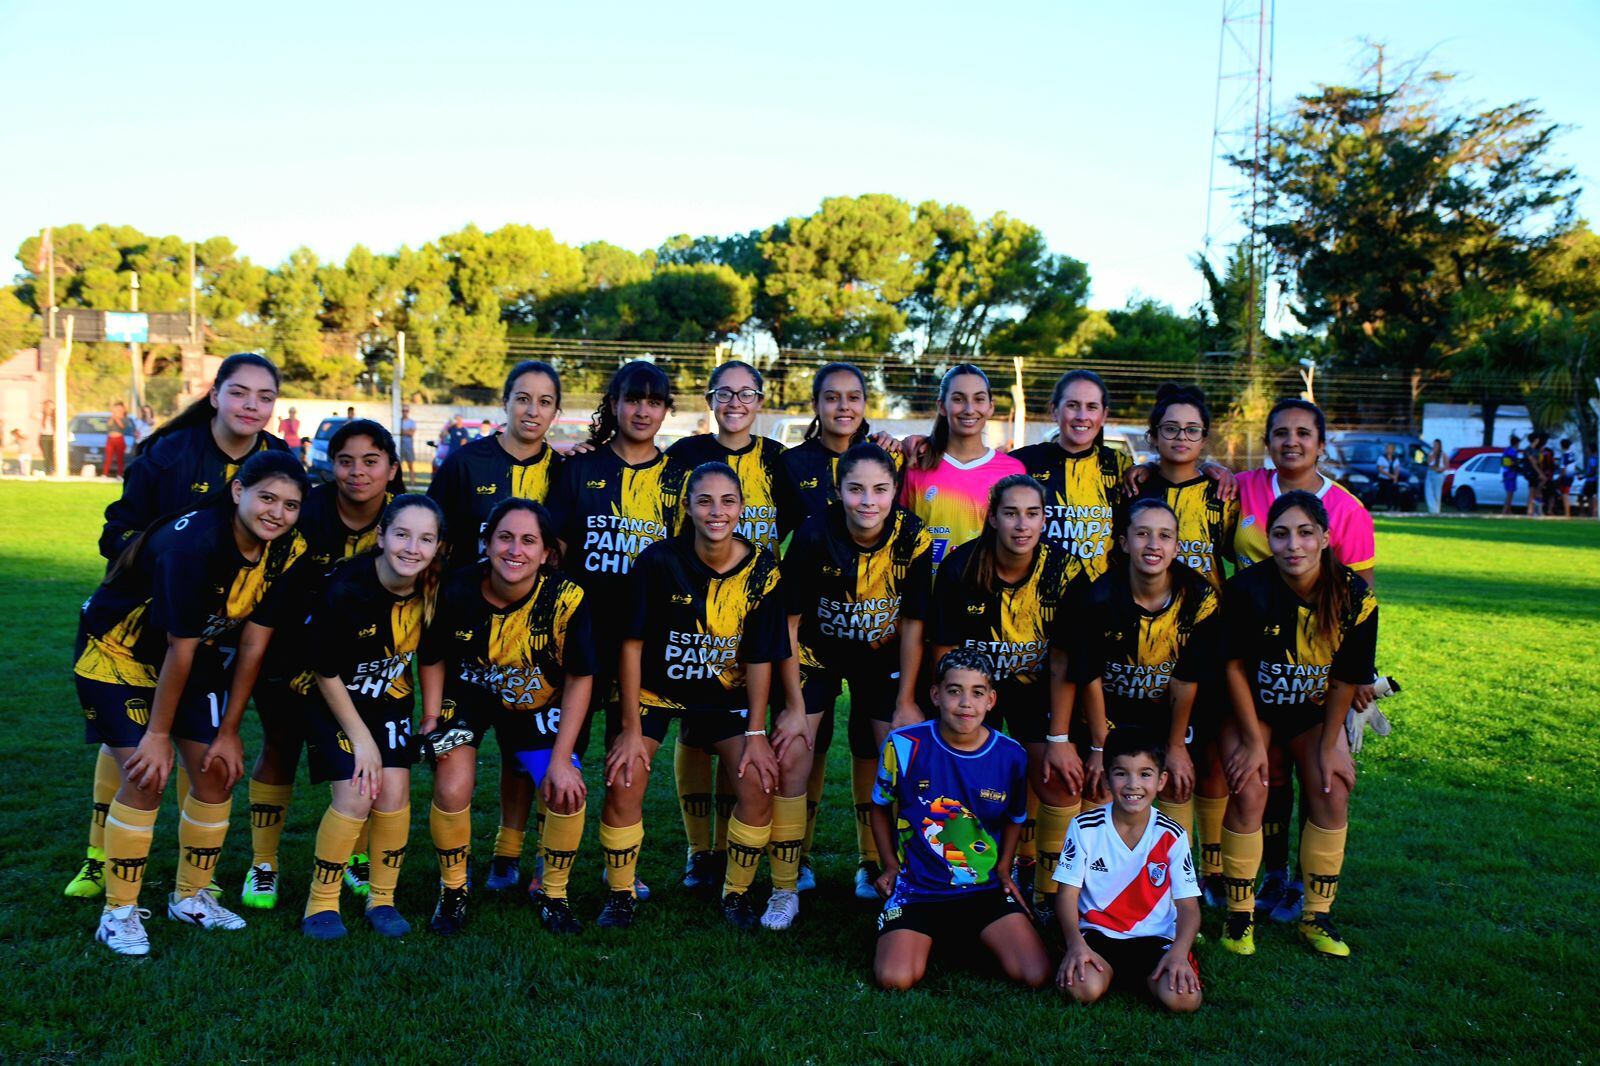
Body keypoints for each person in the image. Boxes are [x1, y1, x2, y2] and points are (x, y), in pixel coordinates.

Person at [64, 352, 288, 900]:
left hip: (210, 639)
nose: (251, 405)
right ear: (215, 396)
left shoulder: (280, 462)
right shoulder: (167, 458)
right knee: (138, 752)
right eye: (239, 392)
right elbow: (114, 535)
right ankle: (100, 858)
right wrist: (163, 564)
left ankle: (193, 892)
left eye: (264, 397)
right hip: (138, 635)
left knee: (201, 761)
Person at [75, 451, 310, 955]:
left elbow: (252, 643)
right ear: (237, 492)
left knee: (215, 773)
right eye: (266, 497)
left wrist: (229, 730)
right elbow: (176, 648)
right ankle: (117, 912)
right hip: (118, 654)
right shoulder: (195, 545)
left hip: (192, 652)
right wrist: (158, 736)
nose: (277, 512)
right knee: (146, 777)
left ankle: (191, 896)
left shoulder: (289, 547)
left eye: (290, 504)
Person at [603, 462, 792, 931]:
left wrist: (756, 731)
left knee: (757, 781)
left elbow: (762, 654)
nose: (716, 511)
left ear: (742, 508)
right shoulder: (658, 562)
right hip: (655, 690)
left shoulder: (763, 568)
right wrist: (629, 729)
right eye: (704, 500)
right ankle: (621, 892)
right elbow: (631, 644)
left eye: (728, 501)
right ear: (687, 507)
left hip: (724, 693)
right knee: (624, 778)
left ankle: (736, 893)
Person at [239, 420, 404, 910]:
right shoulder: (303, 510)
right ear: (330, 466)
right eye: (346, 461)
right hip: (291, 656)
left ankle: (352, 858)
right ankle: (263, 863)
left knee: (364, 763)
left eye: (371, 461)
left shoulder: (404, 516)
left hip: (368, 665)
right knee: (280, 748)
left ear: (392, 469)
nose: (357, 472)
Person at [1225, 397, 1376, 923]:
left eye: (1303, 433)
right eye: (1281, 432)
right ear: (1267, 441)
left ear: (1320, 442)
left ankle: (1310, 897)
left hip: (1311, 673)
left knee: (1323, 777)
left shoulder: (1349, 510)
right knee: (1264, 776)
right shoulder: (1241, 488)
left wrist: (1358, 679)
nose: (1292, 441)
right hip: (1251, 656)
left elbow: (1357, 601)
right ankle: (1269, 877)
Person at [417, 498, 596, 936]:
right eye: (505, 537)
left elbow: (580, 678)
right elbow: (433, 655)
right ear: (487, 542)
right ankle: (454, 889)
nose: (516, 550)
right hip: (471, 695)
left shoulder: (567, 599)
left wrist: (562, 756)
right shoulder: (457, 588)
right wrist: (430, 716)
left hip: (538, 700)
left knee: (565, 791)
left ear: (546, 552)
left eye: (528, 540)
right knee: (452, 783)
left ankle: (554, 893)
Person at [770, 443, 933, 921]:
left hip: (882, 658)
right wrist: (795, 707)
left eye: (880, 490)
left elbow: (914, 623)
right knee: (793, 752)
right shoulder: (814, 533)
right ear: (839, 490)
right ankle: (786, 880)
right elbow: (790, 624)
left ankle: (888, 871)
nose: (868, 501)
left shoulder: (914, 538)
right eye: (856, 489)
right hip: (817, 653)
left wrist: (906, 699)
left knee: (898, 757)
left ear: (895, 492)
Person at [545, 360, 683, 910]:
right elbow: (553, 548)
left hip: (647, 643)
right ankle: (548, 858)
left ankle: (619, 867)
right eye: (633, 399)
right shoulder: (580, 468)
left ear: (665, 410)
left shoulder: (678, 476)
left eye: (654, 401)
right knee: (564, 753)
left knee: (627, 761)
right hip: (579, 635)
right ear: (615, 404)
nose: (643, 410)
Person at [662, 361, 803, 899]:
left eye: (747, 393)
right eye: (725, 392)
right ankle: (702, 850)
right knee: (696, 728)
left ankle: (744, 850)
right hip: (696, 604)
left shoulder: (779, 461)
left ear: (761, 400)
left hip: (757, 605)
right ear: (710, 399)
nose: (736, 402)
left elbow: (808, 511)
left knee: (742, 720)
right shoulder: (684, 456)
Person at [426, 362, 568, 893]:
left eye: (545, 402)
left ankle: (508, 853)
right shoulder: (467, 462)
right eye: (524, 399)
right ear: (505, 402)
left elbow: (564, 546)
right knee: (458, 761)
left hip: (533, 639)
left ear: (556, 410)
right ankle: (453, 882)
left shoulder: (565, 470)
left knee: (520, 753)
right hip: (469, 632)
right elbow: (435, 537)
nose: (533, 411)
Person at [927, 475, 1081, 922]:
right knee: (968, 779)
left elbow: (1064, 661)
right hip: (975, 692)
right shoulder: (961, 566)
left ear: (1045, 519)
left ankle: (1049, 890)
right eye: (1011, 513)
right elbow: (944, 654)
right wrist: (953, 714)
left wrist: (1059, 736)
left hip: (1037, 690)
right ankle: (965, 872)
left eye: (1032, 514)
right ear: (992, 516)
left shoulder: (1065, 570)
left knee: (1055, 776)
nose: (1021, 524)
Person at [298, 494, 443, 940]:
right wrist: (361, 741)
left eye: (425, 539)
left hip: (389, 701)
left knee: (395, 794)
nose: (411, 548)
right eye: (401, 534)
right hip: (333, 699)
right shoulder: (347, 590)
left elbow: (432, 655)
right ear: (381, 536)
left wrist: (431, 715)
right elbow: (325, 670)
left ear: (437, 547)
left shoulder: (434, 587)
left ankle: (383, 899)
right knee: (360, 792)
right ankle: (320, 902)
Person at [870, 649, 1049, 992]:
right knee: (894, 979)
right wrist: (890, 865)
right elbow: (880, 805)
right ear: (936, 695)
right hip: (918, 889)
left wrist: (1003, 869)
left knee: (1035, 974)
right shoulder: (904, 745)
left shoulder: (1011, 755)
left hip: (982, 890)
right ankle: (922, 932)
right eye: (954, 691)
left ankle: (968, 932)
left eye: (977, 693)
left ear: (991, 700)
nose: (966, 702)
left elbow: (1015, 817)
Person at [1061, 499, 1220, 843]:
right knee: (1099, 786)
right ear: (1123, 542)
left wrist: (1177, 746)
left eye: (1164, 536)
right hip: (1110, 709)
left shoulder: (1199, 598)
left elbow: (1186, 678)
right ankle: (1092, 876)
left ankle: (1174, 880)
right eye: (1142, 534)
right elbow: (1089, 676)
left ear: (1177, 546)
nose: (1153, 545)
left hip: (1167, 711)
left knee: (1178, 783)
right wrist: (1100, 745)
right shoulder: (1098, 598)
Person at [1053, 729, 1202, 1013]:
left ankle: (1152, 971)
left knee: (1183, 1000)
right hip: (1099, 934)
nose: (1133, 785)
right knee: (1083, 989)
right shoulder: (1085, 827)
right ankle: (1097, 965)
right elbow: (1066, 896)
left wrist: (1180, 953)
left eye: (1145, 774)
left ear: (1162, 781)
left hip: (1155, 938)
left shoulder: (1172, 834)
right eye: (1121, 773)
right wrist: (1075, 944)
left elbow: (1189, 907)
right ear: (1107, 778)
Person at [899, 363, 1024, 570]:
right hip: (925, 596)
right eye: (958, 399)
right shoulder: (917, 463)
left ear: (990, 406)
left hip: (985, 595)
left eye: (979, 399)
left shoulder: (1013, 471)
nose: (969, 409)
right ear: (941, 406)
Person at [1015, 371, 1131, 582]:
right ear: (1054, 410)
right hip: (1033, 597)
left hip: (1100, 601)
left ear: (1104, 415)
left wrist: (1208, 470)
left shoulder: (1121, 467)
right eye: (1072, 405)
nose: (1082, 416)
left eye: (1092, 407)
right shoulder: (1022, 463)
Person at [1129, 385, 1237, 592]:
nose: (1182, 436)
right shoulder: (1135, 490)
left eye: (1192, 430)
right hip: (1141, 615)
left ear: (1204, 439)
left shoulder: (1223, 494)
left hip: (1208, 617)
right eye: (1170, 428)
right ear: (1153, 436)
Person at [781, 361, 907, 516]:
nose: (844, 406)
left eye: (853, 397)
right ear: (815, 405)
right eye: (832, 398)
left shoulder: (890, 456)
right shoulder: (791, 463)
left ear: (864, 403)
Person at [105, 401, 131, 479]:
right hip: (110, 438)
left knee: (119, 458)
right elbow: (108, 425)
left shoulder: (125, 419)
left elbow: (122, 426)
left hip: (119, 438)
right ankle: (105, 474)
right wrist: (113, 417)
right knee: (108, 457)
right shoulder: (111, 417)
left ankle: (119, 474)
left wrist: (117, 418)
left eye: (120, 408)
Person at [1499, 434, 1524, 516]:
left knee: (1511, 492)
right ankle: (1505, 511)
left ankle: (1508, 510)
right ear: (1516, 443)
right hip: (1510, 474)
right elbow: (1512, 462)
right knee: (1510, 493)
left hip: (1509, 473)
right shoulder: (1512, 451)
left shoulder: (1508, 450)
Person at [1376, 442, 1404, 510]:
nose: (1390, 450)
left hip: (1393, 479)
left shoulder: (1395, 458)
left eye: (1392, 448)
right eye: (1388, 448)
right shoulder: (1381, 458)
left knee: (1396, 492)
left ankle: (1396, 507)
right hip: (1384, 479)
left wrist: (1395, 478)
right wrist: (1391, 476)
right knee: (1387, 491)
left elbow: (1397, 468)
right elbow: (1380, 469)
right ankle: (1389, 506)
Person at [1556, 438, 1579, 517]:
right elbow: (1574, 466)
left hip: (1565, 477)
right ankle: (1566, 512)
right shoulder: (1572, 454)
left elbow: (1563, 468)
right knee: (1564, 494)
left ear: (1561, 446)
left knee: (1565, 495)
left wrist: (1559, 477)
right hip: (1571, 476)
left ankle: (1567, 513)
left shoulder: (1564, 456)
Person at [1424, 439, 1447, 515]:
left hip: (1439, 475)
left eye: (1436, 445)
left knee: (1437, 493)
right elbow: (1429, 463)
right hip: (1430, 473)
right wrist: (1432, 455)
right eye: (1434, 444)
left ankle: (1436, 511)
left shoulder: (1443, 454)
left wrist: (1441, 469)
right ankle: (1432, 511)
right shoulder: (1430, 453)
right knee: (1428, 492)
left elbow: (1447, 465)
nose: (1434, 446)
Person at [399, 405, 417, 478]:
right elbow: (397, 431)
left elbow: (411, 433)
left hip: (409, 446)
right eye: (403, 411)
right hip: (399, 446)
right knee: (399, 467)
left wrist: (402, 431)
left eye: (406, 411)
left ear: (408, 412)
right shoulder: (398, 421)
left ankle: (413, 484)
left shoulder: (412, 422)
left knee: (411, 466)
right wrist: (407, 431)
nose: (405, 412)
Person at [40, 399, 56, 476]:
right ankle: (47, 469)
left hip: (53, 436)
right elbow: (32, 415)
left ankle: (52, 469)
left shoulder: (55, 417)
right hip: (44, 437)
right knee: (46, 454)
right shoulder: (42, 416)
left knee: (52, 454)